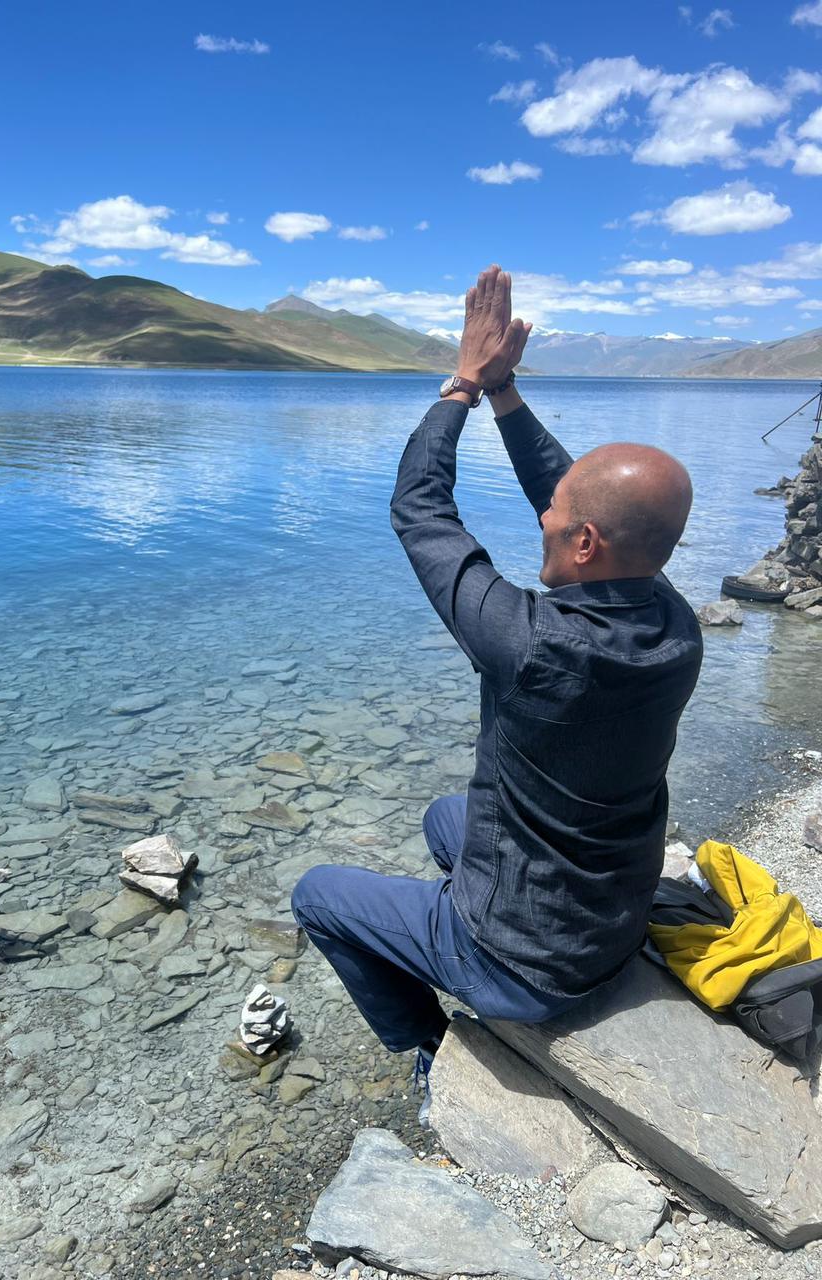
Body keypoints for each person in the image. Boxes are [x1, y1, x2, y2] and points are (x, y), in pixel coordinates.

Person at [291, 265, 703, 1094]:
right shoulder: (674, 623)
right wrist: (510, 396)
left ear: (584, 544)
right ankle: (488, 918)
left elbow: (420, 509)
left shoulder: (534, 644)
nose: (542, 515)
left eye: (557, 517)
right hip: (612, 926)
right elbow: (570, 492)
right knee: (446, 816)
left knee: (318, 893)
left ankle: (431, 1048)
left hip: (526, 969)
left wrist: (465, 387)